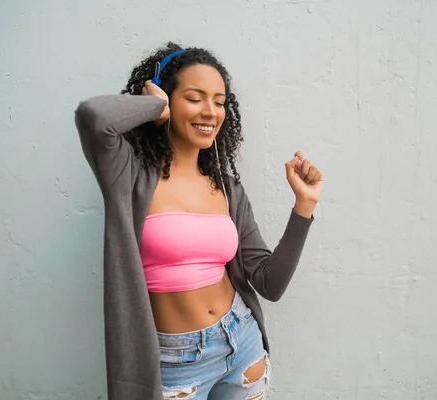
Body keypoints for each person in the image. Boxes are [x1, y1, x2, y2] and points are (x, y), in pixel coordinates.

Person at [74, 42, 323, 400]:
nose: (211, 111)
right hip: (174, 363)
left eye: (219, 102)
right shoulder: (128, 175)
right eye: (194, 98)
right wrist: (154, 105)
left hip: (241, 344)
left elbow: (270, 283)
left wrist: (304, 206)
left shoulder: (226, 186)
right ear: (167, 100)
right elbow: (93, 116)